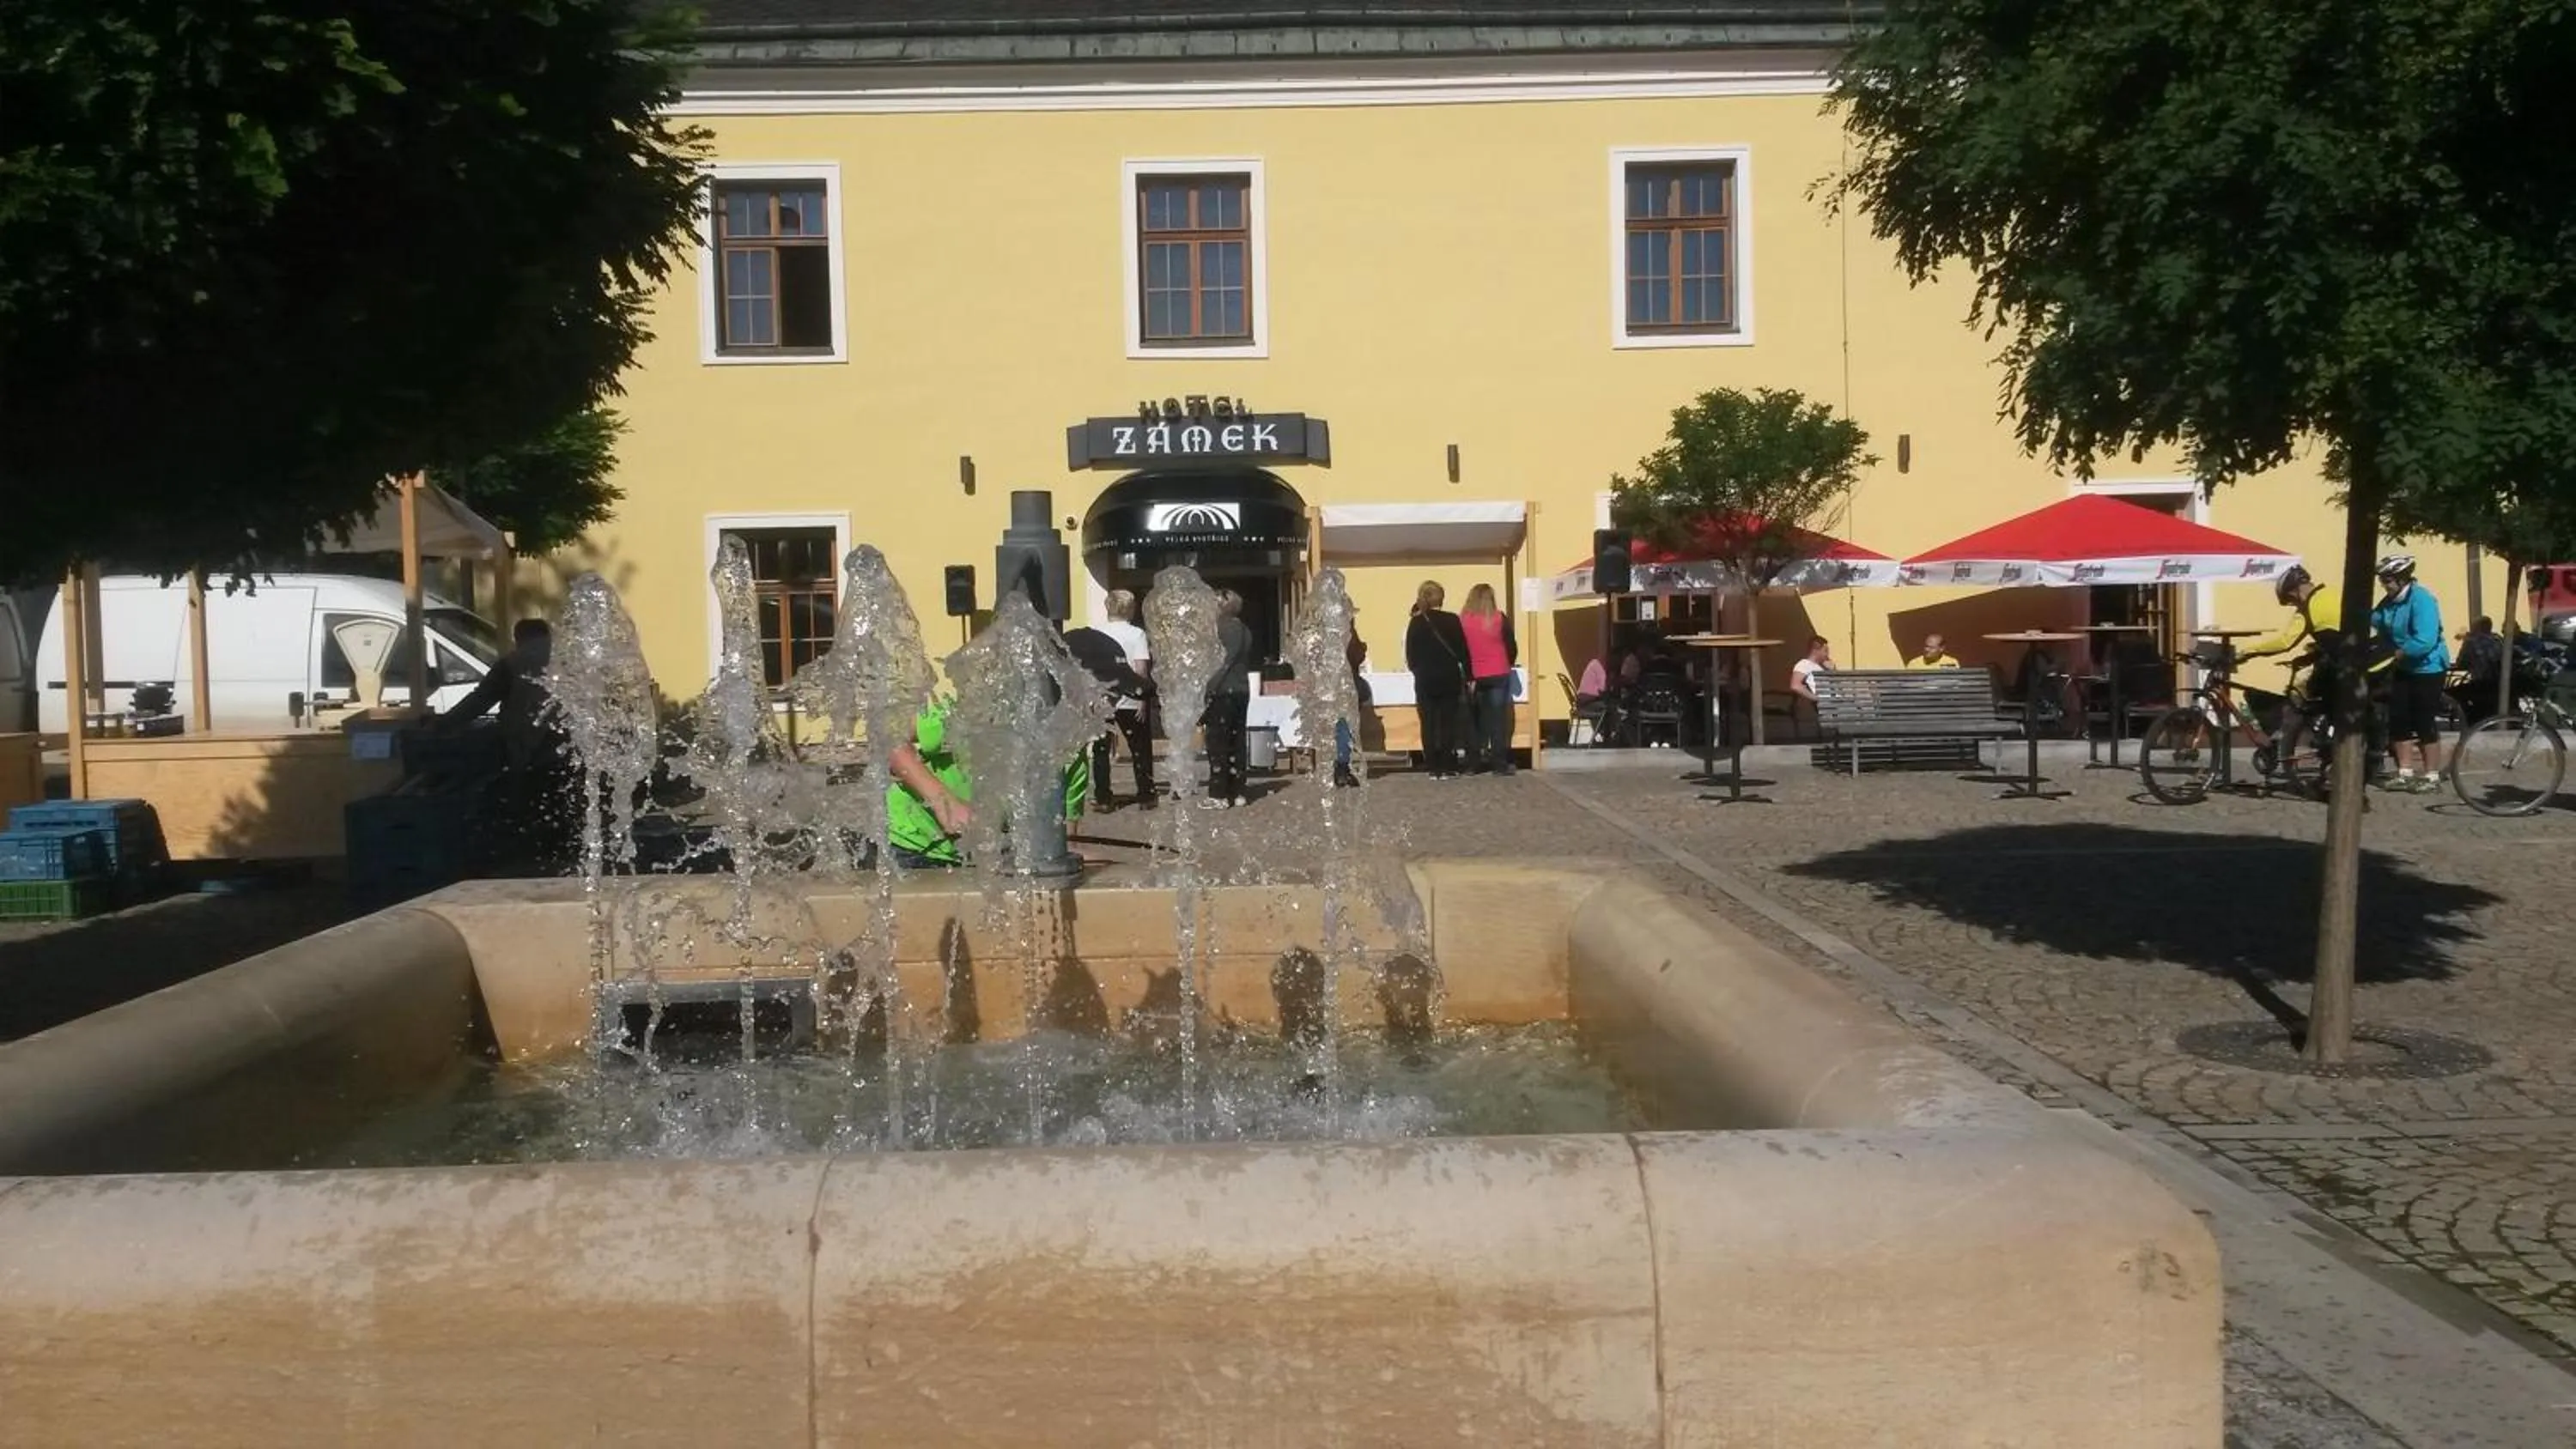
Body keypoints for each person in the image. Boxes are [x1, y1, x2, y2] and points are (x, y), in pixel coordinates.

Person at [883, 697, 1090, 867]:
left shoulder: (1072, 758)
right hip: (912, 846)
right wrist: (944, 802)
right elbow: (890, 741)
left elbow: (1059, 843)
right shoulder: (980, 712)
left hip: (980, 859)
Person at [439, 617, 574, 869]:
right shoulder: (571, 662)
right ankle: (566, 855)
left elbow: (478, 702)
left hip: (532, 748)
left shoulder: (513, 663)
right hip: (573, 749)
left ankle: (532, 859)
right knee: (568, 806)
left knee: (528, 806)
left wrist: (441, 725)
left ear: (519, 638)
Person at [2370, 555, 2450, 792]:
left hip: (2429, 666)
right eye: (2382, 580)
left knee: (2424, 721)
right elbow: (2375, 620)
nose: (2384, 584)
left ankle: (2432, 777)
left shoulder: (2421, 599)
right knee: (2399, 719)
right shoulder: (2390, 602)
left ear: (2403, 578)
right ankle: (2405, 772)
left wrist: (2397, 653)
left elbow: (2425, 639)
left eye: (2388, 580)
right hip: (2404, 667)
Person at [1076, 590, 1156, 810]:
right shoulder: (1136, 634)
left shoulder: (1096, 633)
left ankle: (1103, 797)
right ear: (1130, 608)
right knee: (1139, 746)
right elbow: (1141, 669)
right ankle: (1146, 794)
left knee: (1102, 748)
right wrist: (1143, 699)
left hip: (1104, 696)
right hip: (1130, 694)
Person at [1404, 580, 1471, 779]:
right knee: (1447, 722)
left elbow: (1411, 654)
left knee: (1428, 722)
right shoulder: (1452, 620)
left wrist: (1418, 670)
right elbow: (1462, 651)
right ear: (1441, 598)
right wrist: (1468, 674)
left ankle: (1432, 766)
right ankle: (1446, 764)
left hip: (1425, 678)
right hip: (1448, 677)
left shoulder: (1416, 622)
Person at [1456, 583, 1520, 777]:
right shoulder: (1499, 618)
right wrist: (1509, 662)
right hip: (1499, 672)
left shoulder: (1463, 621)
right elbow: (1511, 646)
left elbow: (1460, 649)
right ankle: (1499, 763)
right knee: (1498, 720)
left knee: (1474, 721)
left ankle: (1473, 763)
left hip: (1474, 675)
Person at [1201, 588, 1255, 809]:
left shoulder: (1221, 630)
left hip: (1223, 690)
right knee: (1237, 740)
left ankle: (1218, 794)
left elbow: (1221, 664)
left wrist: (1208, 691)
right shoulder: (1244, 629)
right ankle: (1238, 789)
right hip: (1241, 689)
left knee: (1218, 742)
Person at [1334, 616, 1368, 790]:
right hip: (1346, 685)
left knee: (1336, 727)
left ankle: (1335, 766)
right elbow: (1356, 655)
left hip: (1329, 686)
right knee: (1344, 727)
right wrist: (1362, 648)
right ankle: (1341, 767)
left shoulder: (1324, 632)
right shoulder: (1347, 632)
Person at [2453, 615, 2504, 724]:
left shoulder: (2471, 642)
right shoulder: (2498, 639)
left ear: (2478, 627)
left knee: (2453, 694)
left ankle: (2472, 717)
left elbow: (2461, 663)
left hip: (2481, 683)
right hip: (2500, 684)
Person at [1789, 634, 1833, 704]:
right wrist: (1815, 698)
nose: (1827, 655)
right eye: (1825, 651)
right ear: (1815, 650)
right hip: (1826, 705)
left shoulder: (1821, 666)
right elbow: (1795, 685)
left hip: (1834, 703)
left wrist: (1832, 670)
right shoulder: (1804, 664)